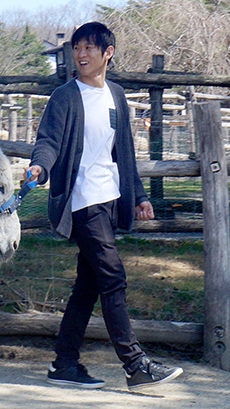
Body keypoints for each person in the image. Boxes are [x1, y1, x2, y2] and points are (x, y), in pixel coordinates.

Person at [26, 21, 183, 392]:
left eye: (88, 48)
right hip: (81, 202)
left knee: (89, 285)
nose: (80, 55)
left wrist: (140, 195)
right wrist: (39, 166)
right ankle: (135, 364)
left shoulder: (115, 94)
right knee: (113, 277)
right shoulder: (65, 97)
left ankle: (64, 364)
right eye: (76, 48)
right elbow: (48, 141)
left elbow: (123, 152)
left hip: (108, 198)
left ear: (107, 53)